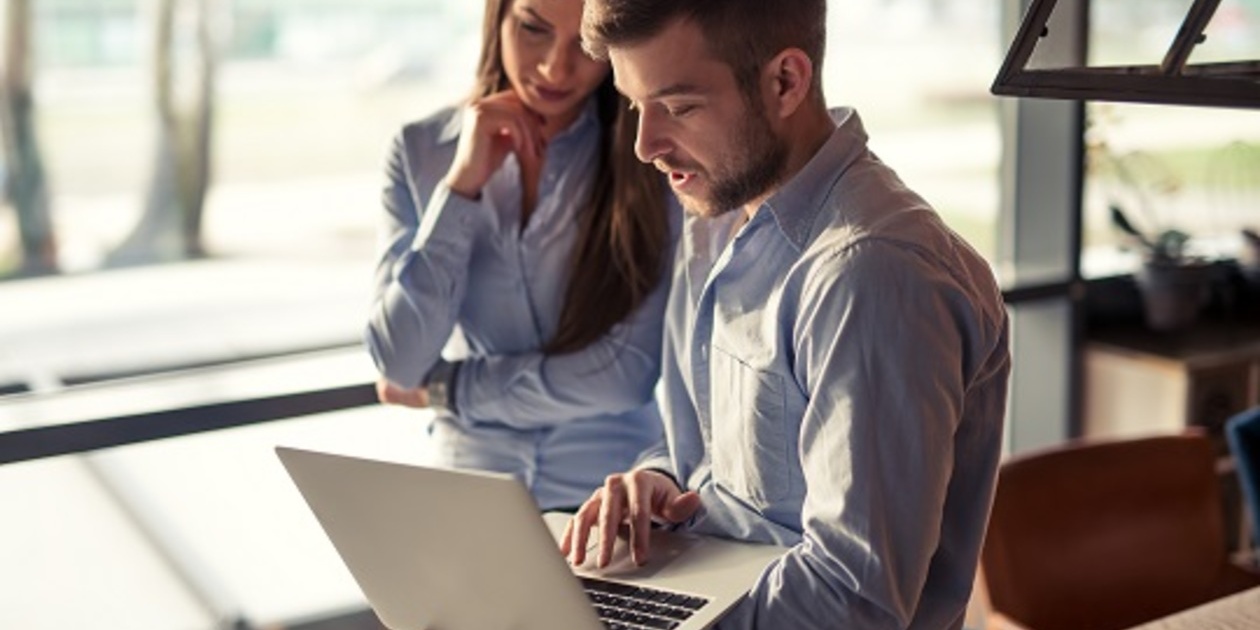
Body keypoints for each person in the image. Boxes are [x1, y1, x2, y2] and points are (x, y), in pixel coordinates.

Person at [560, 0, 1012, 627]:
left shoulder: (871, 273)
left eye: (679, 107)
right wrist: (660, 481)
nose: (645, 146)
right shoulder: (713, 220)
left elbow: (854, 598)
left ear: (785, 82)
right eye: (636, 106)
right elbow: (714, 457)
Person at [365, 0, 676, 512]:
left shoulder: (650, 159)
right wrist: (461, 187)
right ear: (497, 17)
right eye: (533, 29)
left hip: (611, 506)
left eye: (585, 42)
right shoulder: (419, 151)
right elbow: (399, 363)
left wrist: (449, 388)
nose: (557, 67)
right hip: (466, 500)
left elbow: (624, 376)